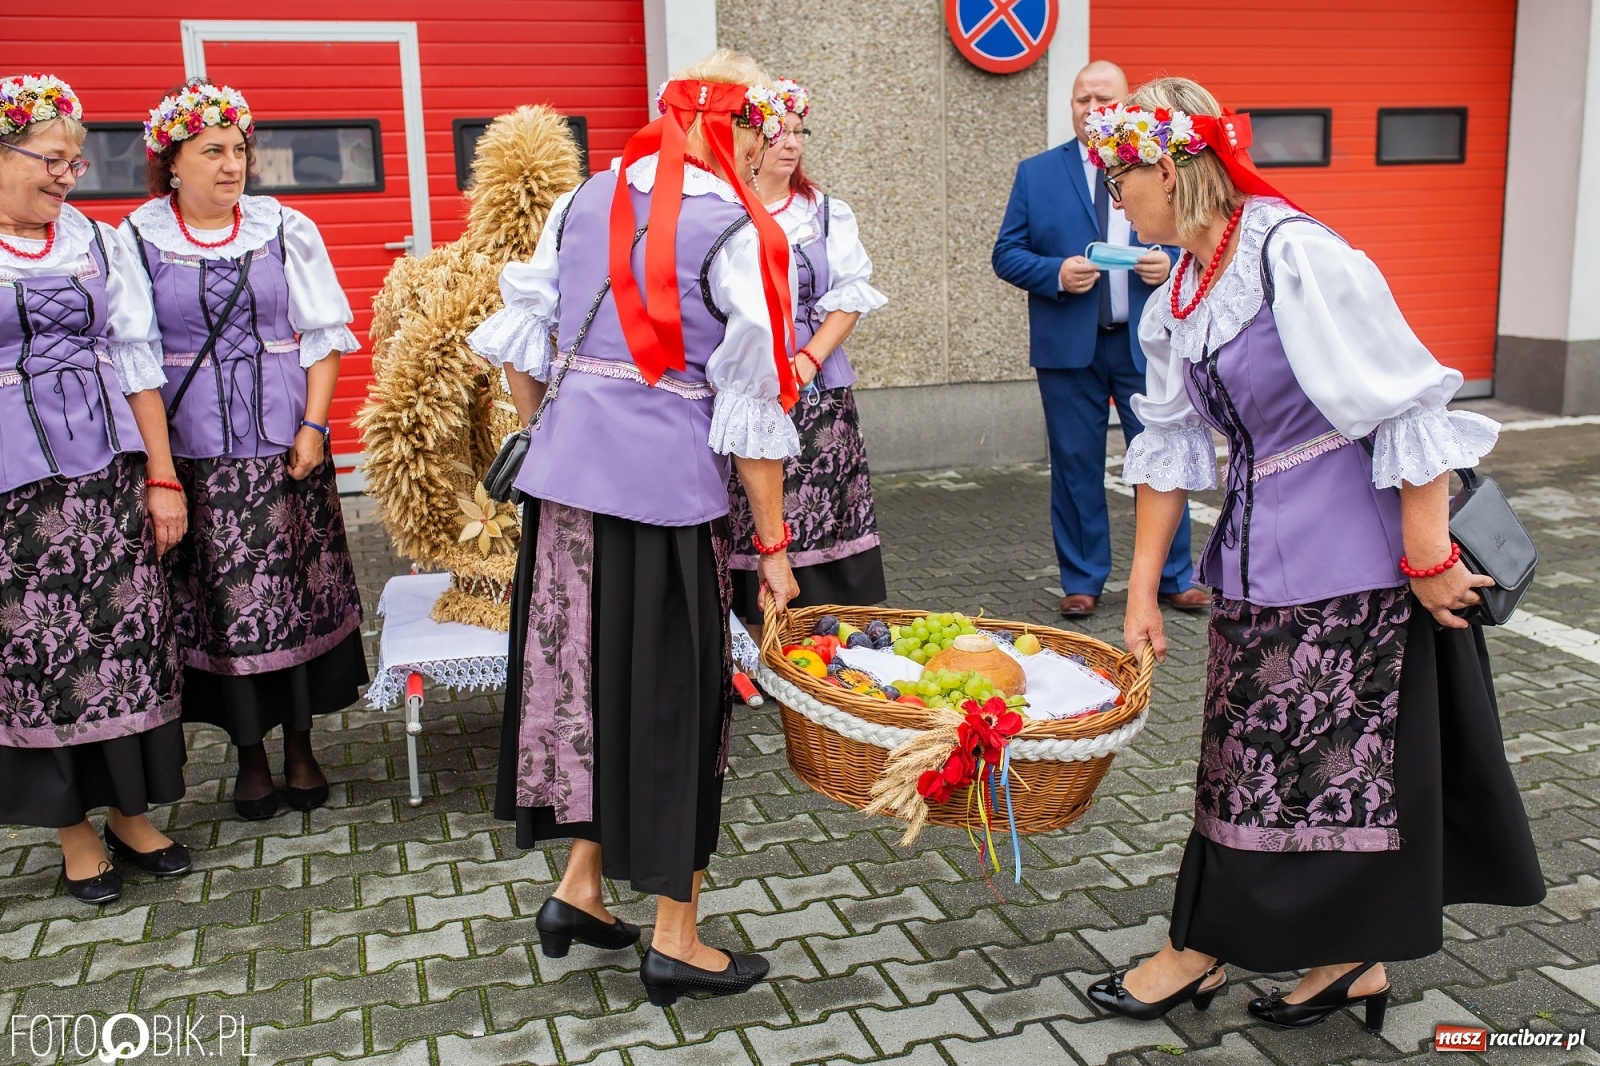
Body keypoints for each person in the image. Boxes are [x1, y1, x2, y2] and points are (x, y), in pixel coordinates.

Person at [1084, 77, 1544, 1032]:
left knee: (1335, 771)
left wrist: (1427, 560)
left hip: (1356, 565)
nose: (1114, 196)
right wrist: (1140, 591)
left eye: (1120, 176)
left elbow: (1407, 403)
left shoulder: (1294, 254)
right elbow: (1167, 447)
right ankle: (1272, 952)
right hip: (1255, 564)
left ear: (1172, 169)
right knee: (1249, 762)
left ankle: (1256, 954)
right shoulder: (1181, 293)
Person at [469, 50, 800, 1007]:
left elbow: (523, 339)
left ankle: (580, 888)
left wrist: (558, 430)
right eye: (759, 131)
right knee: (671, 706)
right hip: (663, 502)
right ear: (733, 128)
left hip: (564, 498)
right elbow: (751, 405)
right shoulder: (735, 226)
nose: (763, 150)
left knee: (588, 688)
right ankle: (675, 939)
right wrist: (773, 549)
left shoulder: (584, 200)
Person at [123, 82, 368, 822]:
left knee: (294, 596)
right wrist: (160, 469)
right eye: (213, 152)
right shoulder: (135, 239)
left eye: (239, 150)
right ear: (171, 162)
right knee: (224, 608)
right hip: (197, 456)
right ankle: (250, 757)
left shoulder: (283, 226)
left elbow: (323, 335)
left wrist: (314, 427)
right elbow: (133, 359)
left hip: (285, 450)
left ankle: (302, 746)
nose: (232, 165)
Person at [0, 74, 192, 904]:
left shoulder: (94, 240)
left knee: (124, 644)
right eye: (51, 159)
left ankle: (128, 813)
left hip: (108, 478)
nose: (66, 177)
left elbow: (136, 362)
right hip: (13, 496)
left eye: (74, 163)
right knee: (41, 656)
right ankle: (73, 831)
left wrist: (162, 476)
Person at [992, 60, 1206, 619]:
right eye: (1082, 99)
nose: (1092, 109)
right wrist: (1055, 273)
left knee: (1163, 457)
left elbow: (1198, 230)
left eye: (1104, 100)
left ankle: (1174, 576)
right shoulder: (1037, 173)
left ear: (1126, 107)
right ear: (1070, 106)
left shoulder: (1156, 165)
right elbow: (1006, 253)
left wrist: (1173, 262)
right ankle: (1083, 579)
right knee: (1075, 466)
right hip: (1068, 347)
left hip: (1144, 344)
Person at [726, 78, 888, 625]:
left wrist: (807, 360)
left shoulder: (823, 212)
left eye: (800, 132)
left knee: (816, 510)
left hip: (814, 389)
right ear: (749, 139)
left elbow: (849, 297)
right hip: (740, 385)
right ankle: (750, 641)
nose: (792, 143)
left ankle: (818, 637)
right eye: (779, 132)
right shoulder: (721, 207)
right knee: (745, 510)